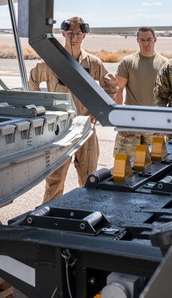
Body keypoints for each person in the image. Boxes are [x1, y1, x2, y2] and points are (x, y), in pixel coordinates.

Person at [28, 16, 119, 203]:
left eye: (77, 33)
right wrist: (43, 111)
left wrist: (99, 110)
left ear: (83, 36)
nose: (73, 37)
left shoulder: (92, 63)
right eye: (70, 33)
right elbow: (33, 80)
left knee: (89, 179)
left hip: (86, 127)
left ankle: (87, 215)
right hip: (59, 131)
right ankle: (48, 216)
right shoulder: (51, 62)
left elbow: (112, 85)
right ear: (63, 33)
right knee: (54, 180)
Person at [114, 27, 169, 159]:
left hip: (155, 123)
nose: (146, 44)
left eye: (149, 40)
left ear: (155, 40)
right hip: (131, 122)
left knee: (157, 164)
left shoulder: (165, 64)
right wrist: (120, 119)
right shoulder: (128, 62)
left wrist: (164, 125)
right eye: (142, 40)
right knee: (124, 164)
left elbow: (169, 96)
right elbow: (119, 89)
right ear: (137, 41)